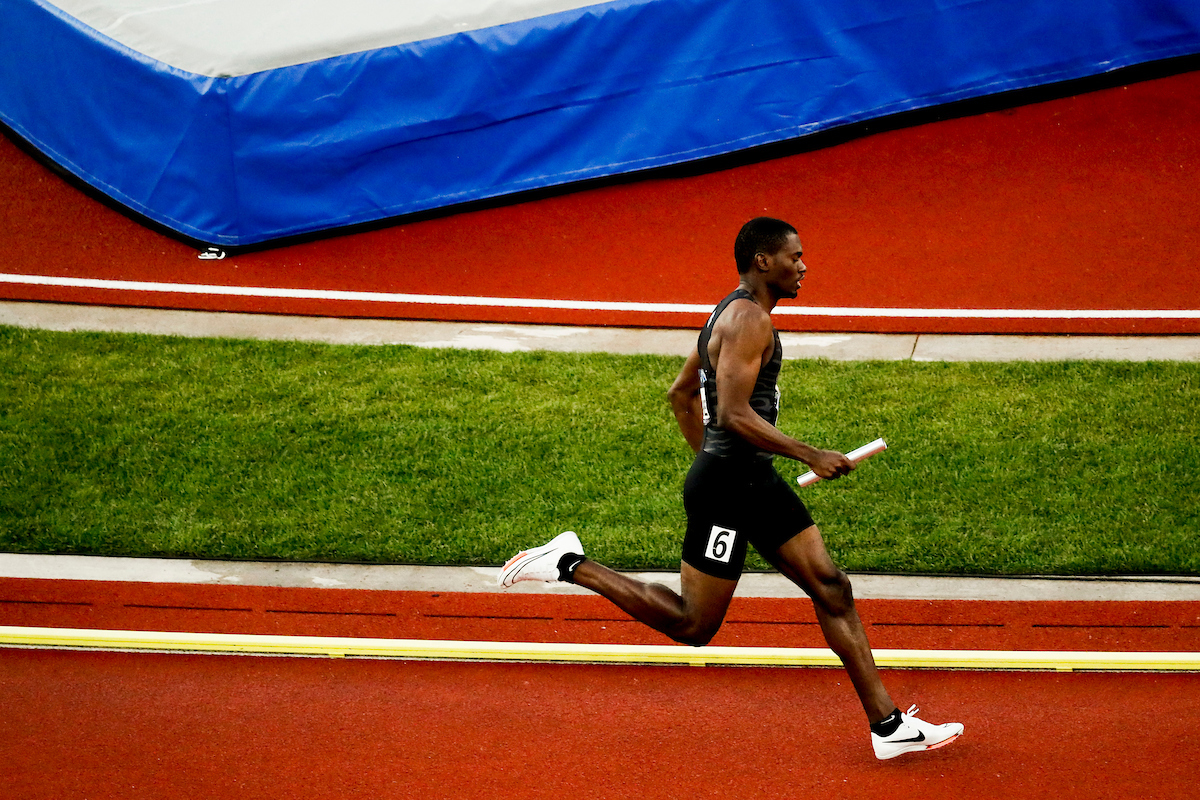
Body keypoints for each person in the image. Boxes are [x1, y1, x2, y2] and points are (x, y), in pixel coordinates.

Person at [498, 217, 962, 760]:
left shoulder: (727, 311)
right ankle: (569, 564)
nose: (803, 266)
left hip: (749, 481)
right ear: (763, 261)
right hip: (729, 487)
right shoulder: (747, 321)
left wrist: (717, 462)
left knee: (832, 587)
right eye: (795, 256)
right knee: (693, 625)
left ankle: (887, 727)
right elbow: (734, 413)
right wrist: (804, 454)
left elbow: (679, 395)